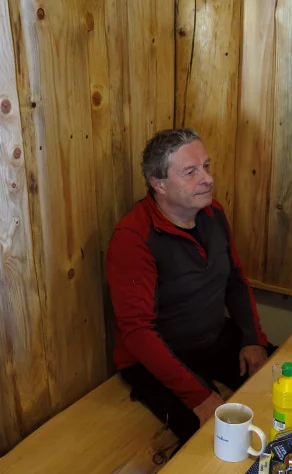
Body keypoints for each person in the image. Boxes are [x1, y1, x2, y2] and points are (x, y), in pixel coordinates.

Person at [106, 128, 272, 443]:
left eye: (206, 166)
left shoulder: (213, 213)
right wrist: (199, 396)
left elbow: (236, 281)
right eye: (191, 172)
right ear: (159, 184)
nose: (207, 178)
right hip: (158, 358)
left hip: (212, 338)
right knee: (215, 437)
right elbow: (137, 333)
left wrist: (253, 340)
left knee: (277, 386)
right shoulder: (133, 237)